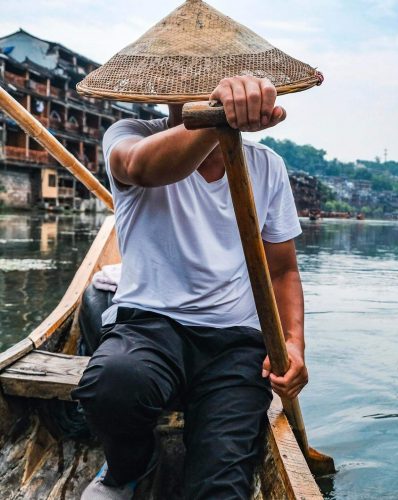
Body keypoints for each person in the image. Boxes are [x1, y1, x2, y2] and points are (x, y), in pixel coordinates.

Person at [73, 76, 308, 500]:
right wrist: (216, 120)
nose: (206, 87)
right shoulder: (131, 135)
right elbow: (141, 168)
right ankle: (132, 464)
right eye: (194, 81)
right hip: (148, 326)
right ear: (168, 89)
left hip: (234, 344)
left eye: (217, 80)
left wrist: (294, 345)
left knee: (221, 487)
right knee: (111, 386)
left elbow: (283, 271)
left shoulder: (268, 165)